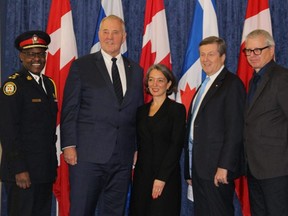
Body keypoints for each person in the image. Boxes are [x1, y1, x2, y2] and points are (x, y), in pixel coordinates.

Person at [60, 15, 143, 216]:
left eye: (115, 32)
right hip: (87, 157)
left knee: (115, 211)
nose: (110, 37)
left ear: (124, 37)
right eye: (105, 32)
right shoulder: (82, 66)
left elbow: (137, 112)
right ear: (99, 35)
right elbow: (70, 108)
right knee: (81, 210)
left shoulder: (136, 70)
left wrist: (136, 147)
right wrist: (68, 145)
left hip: (122, 157)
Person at [184, 36, 246, 216]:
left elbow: (235, 129)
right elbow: (193, 130)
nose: (205, 59)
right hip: (199, 170)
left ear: (223, 57)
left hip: (217, 170)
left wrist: (224, 166)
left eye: (211, 54)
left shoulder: (232, 84)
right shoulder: (204, 85)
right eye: (202, 55)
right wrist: (189, 170)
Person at [0, 30, 58, 216]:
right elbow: (8, 131)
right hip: (22, 174)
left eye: (41, 54)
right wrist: (20, 169)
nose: (37, 59)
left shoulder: (49, 85)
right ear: (21, 56)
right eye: (31, 54)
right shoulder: (13, 86)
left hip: (44, 171)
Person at [129, 64, 186, 216]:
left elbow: (176, 146)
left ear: (168, 84)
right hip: (142, 177)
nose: (155, 84)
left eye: (160, 80)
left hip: (165, 177)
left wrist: (161, 178)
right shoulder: (141, 111)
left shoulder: (177, 110)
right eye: (151, 80)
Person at [243, 29, 288, 216]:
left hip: (277, 169)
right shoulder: (255, 79)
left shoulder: (281, 78)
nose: (252, 55)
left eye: (258, 50)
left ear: (271, 49)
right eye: (248, 51)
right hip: (255, 167)